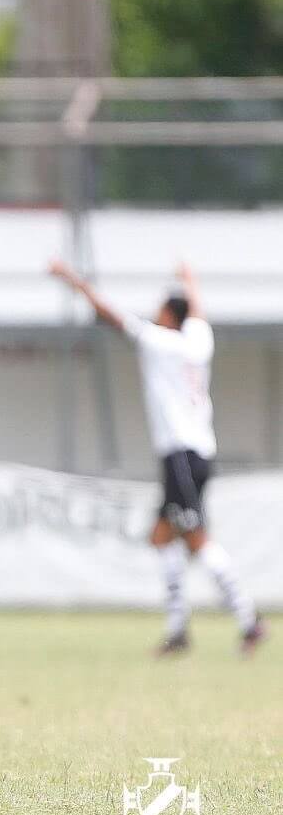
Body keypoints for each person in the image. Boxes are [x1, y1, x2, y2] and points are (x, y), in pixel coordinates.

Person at [50, 260, 266, 656]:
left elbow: (109, 315)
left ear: (169, 316)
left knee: (197, 540)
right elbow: (197, 312)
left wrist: (73, 280)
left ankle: (249, 621)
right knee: (162, 537)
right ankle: (179, 630)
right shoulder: (198, 342)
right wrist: (191, 279)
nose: (156, 314)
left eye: (161, 309)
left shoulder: (160, 342)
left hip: (181, 454)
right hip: (195, 451)